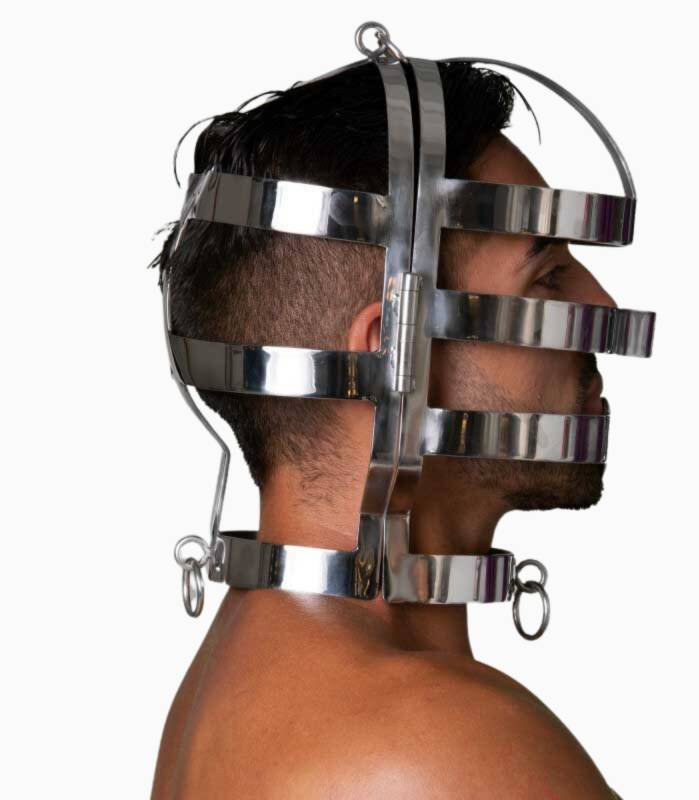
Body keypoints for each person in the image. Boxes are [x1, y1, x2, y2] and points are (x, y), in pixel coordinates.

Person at [152, 60, 622, 799]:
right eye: (548, 277)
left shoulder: (236, 681)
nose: (602, 305)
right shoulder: (440, 742)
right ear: (390, 357)